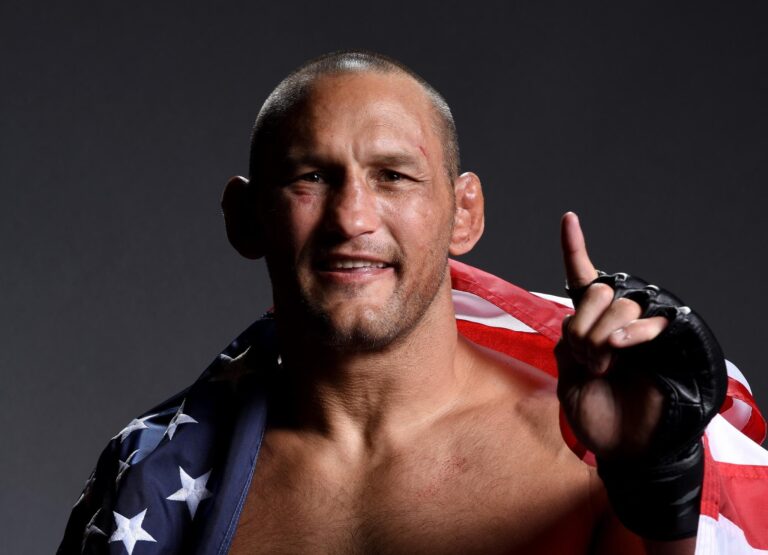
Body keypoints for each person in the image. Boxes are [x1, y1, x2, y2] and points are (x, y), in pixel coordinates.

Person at [59, 51, 768, 555]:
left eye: (394, 176)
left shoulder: (585, 453)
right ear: (245, 219)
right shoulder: (155, 474)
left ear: (464, 213)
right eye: (310, 177)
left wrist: (661, 483)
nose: (353, 218)